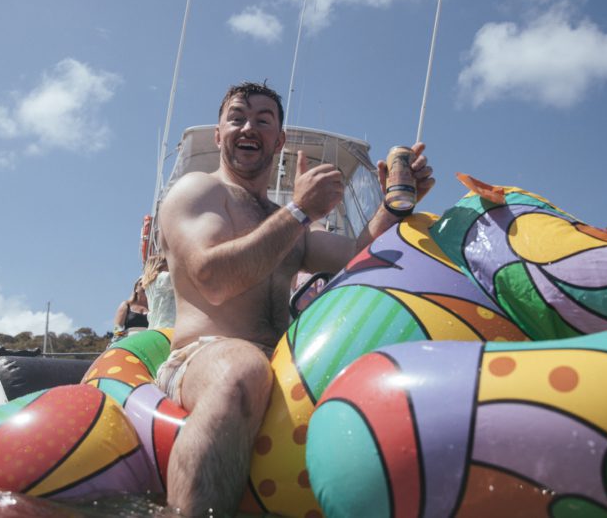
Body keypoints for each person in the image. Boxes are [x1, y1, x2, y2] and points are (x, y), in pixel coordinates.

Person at [157, 81, 434, 516]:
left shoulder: (285, 223)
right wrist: (300, 211)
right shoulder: (198, 191)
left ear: (279, 140)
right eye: (237, 118)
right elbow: (212, 278)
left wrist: (394, 207)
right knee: (242, 370)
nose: (249, 127)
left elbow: (360, 256)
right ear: (218, 134)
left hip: (284, 362)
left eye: (263, 121)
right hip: (204, 357)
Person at [142, 253, 176, 329]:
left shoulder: (148, 285)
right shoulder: (163, 277)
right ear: (161, 265)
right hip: (169, 322)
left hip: (155, 324)